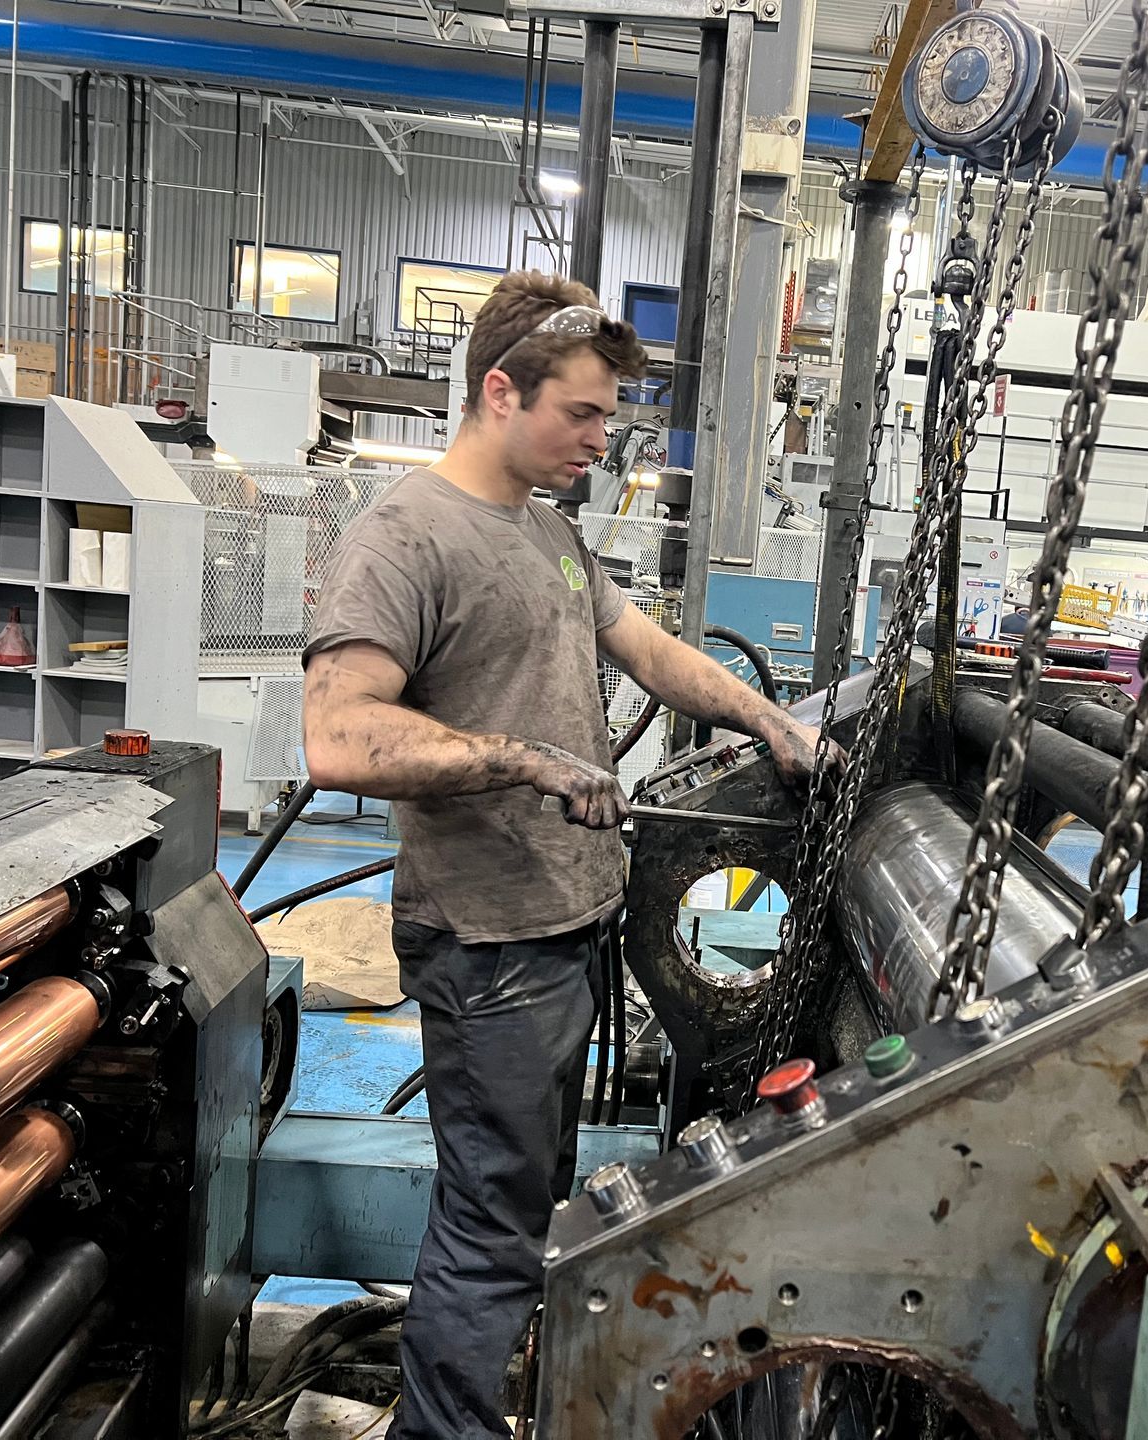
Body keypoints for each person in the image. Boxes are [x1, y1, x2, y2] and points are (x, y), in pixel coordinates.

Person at [301, 270, 832, 1439]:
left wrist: (774, 723)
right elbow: (338, 734)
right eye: (582, 414)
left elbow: (645, 647)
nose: (601, 440)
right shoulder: (403, 536)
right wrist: (524, 760)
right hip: (489, 942)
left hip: (559, 934)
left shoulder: (543, 532)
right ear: (501, 392)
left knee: (530, 1203)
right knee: (492, 1227)